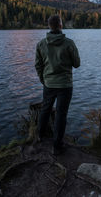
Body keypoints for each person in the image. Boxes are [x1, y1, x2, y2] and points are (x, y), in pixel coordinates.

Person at [35, 15, 80, 155]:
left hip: (48, 84)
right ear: (61, 25)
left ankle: (39, 137)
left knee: (45, 110)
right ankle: (57, 146)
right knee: (61, 114)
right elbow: (77, 64)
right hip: (65, 85)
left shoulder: (41, 44)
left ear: (49, 26)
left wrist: (44, 80)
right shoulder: (69, 43)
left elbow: (38, 65)